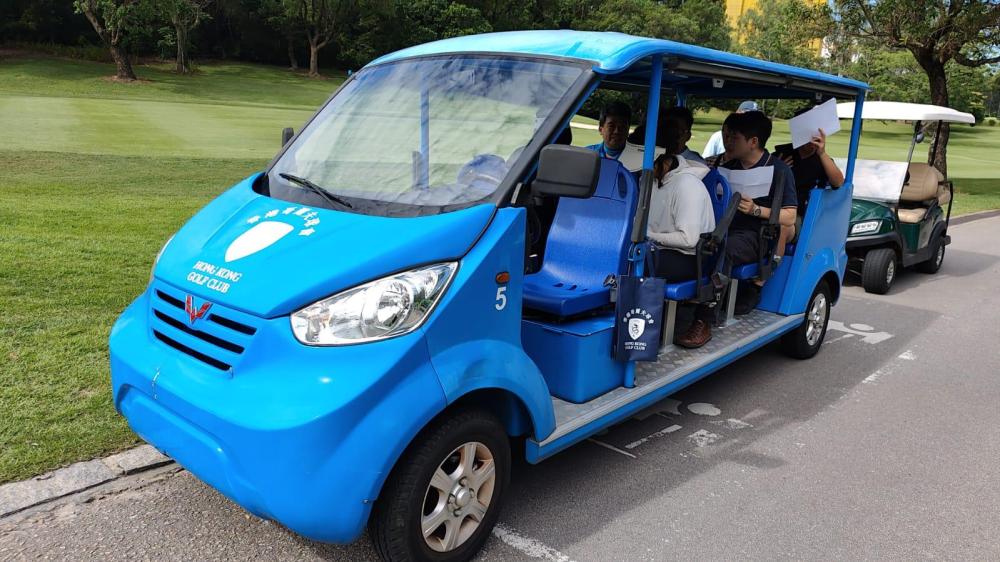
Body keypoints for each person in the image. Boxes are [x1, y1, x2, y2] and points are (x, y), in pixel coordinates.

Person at [677, 111, 797, 349]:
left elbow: (789, 216)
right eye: (727, 137)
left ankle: (704, 319)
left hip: (758, 234)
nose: (728, 142)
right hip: (721, 227)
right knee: (693, 241)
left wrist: (755, 210)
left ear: (753, 142)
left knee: (724, 249)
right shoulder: (726, 165)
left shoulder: (779, 170)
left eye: (734, 138)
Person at [646, 116, 716, 282]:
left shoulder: (687, 185)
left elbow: (688, 239)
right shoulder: (653, 180)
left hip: (687, 258)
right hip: (659, 249)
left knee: (631, 263)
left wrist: (649, 235)